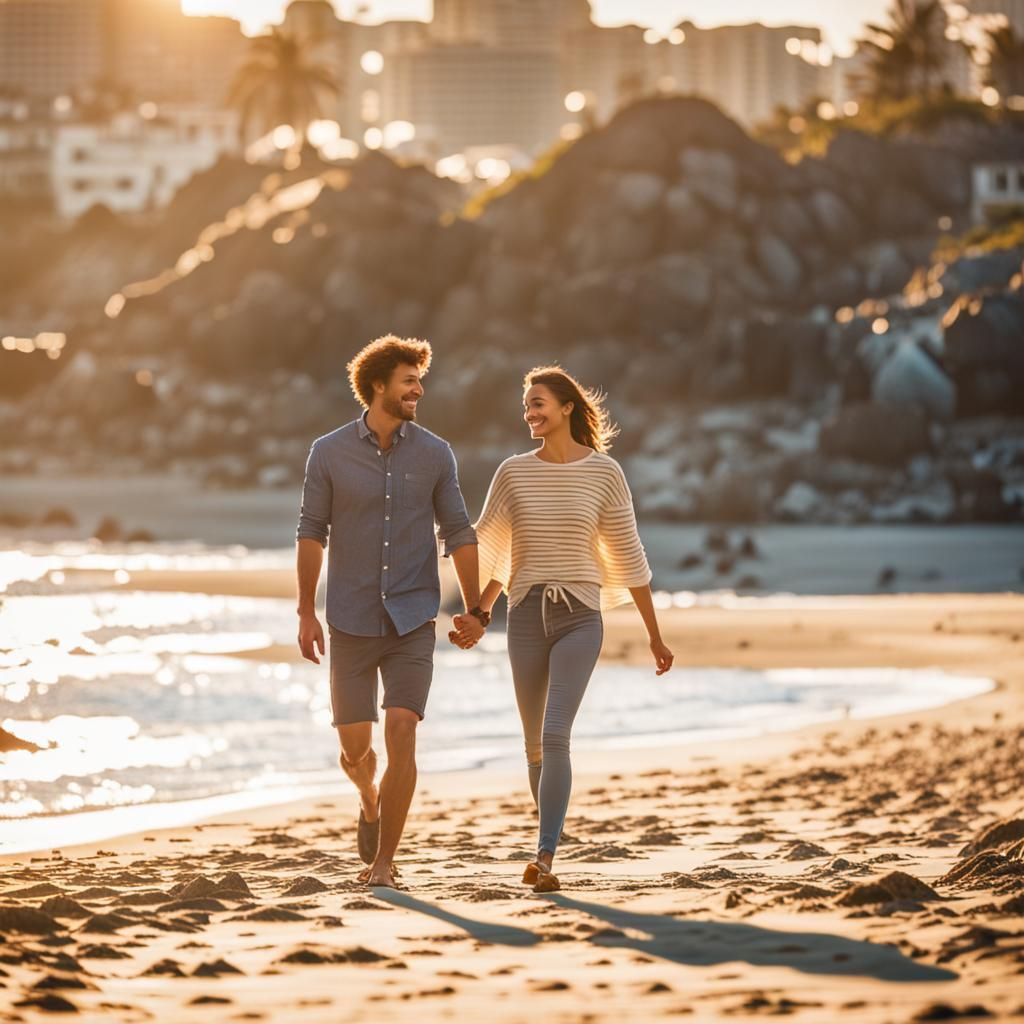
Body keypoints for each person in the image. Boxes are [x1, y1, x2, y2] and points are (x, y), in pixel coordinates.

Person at [453, 365, 674, 893]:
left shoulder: (604, 473)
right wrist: (480, 614)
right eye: (526, 406)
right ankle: (548, 834)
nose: (530, 413)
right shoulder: (512, 472)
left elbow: (629, 556)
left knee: (556, 735)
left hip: (580, 617)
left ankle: (544, 857)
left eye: (539, 404)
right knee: (534, 746)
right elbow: (497, 552)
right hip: (526, 616)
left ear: (568, 407)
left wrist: (655, 635)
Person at [296, 335, 487, 888]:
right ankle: (369, 798)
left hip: (412, 620)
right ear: (378, 385)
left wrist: (475, 608)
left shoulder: (434, 453)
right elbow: (311, 532)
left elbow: (458, 531)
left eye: (420, 381)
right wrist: (306, 612)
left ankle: (384, 862)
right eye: (409, 381)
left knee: (402, 729)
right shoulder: (328, 452)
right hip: (350, 620)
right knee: (357, 752)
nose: (418, 390)